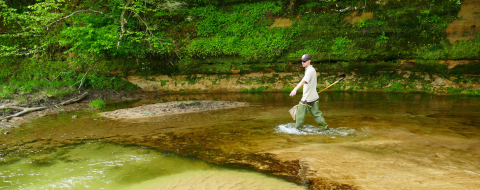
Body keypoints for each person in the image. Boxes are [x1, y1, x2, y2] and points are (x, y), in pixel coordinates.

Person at [289, 54, 329, 131]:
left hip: (307, 99)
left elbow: (303, 81)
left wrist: (295, 89)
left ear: (309, 61)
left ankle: (298, 131)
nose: (302, 63)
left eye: (304, 61)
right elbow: (314, 83)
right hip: (315, 97)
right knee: (317, 114)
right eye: (302, 61)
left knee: (299, 115)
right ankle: (325, 128)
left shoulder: (309, 71)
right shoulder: (312, 69)